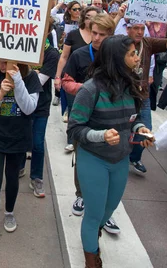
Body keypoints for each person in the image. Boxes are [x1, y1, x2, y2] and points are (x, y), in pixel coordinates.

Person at [67, 35, 154, 267]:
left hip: (120, 159)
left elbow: (130, 120)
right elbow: (74, 128)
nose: (137, 58)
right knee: (94, 215)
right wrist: (101, 135)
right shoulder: (90, 89)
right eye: (132, 54)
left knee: (108, 211)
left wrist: (140, 128)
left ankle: (92, 235)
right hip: (93, 159)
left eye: (136, 53)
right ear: (117, 58)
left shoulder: (131, 85)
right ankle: (92, 259)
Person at [61, 13, 121, 233]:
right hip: (84, 116)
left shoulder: (118, 57)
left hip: (110, 118)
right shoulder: (78, 54)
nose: (95, 38)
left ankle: (106, 212)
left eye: (101, 35)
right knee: (83, 158)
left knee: (111, 164)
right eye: (94, 33)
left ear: (111, 36)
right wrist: (88, 90)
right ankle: (81, 196)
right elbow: (66, 82)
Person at [0, 62, 42, 252]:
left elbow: (29, 108)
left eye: (5, 61)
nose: (0, 64)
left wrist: (17, 80)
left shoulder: (31, 78)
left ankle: (9, 212)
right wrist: (0, 94)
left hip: (19, 137)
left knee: (12, 178)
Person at [125, 6, 167, 174]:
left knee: (146, 129)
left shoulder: (148, 43)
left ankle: (134, 157)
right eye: (136, 28)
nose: (140, 32)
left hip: (143, 95)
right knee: (121, 128)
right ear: (128, 29)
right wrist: (120, 14)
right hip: (124, 95)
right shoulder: (120, 43)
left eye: (142, 28)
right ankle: (118, 157)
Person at [21, 36, 59, 197]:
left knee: (37, 143)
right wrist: (33, 72)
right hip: (21, 102)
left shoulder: (52, 53)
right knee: (21, 137)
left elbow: (38, 81)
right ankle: (19, 166)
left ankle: (36, 177)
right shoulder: (22, 45)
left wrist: (26, 73)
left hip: (41, 105)